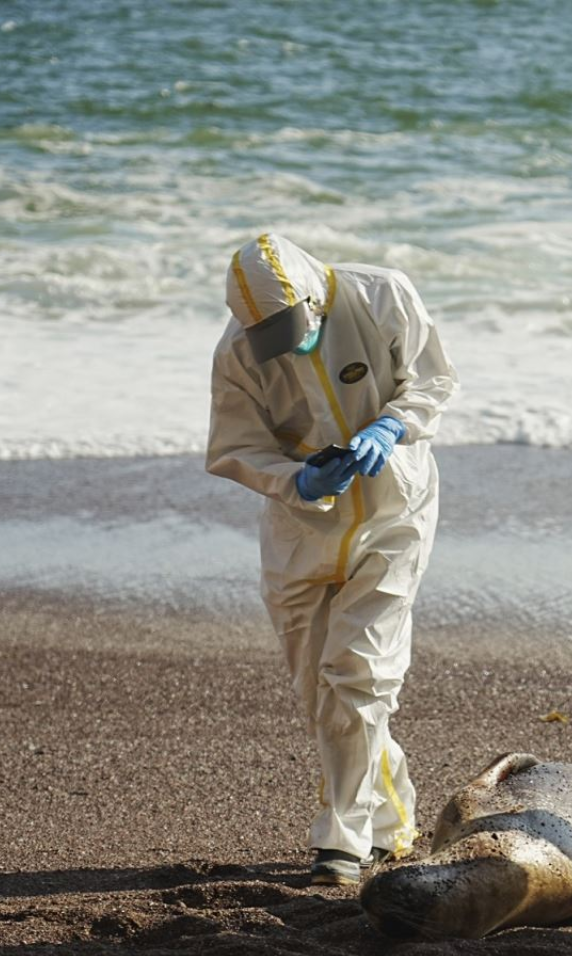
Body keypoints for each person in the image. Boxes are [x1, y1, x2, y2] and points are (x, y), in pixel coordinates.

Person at [207, 233, 458, 887]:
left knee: (359, 675)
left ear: (317, 294)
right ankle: (390, 819)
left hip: (392, 517)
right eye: (270, 335)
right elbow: (235, 445)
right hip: (301, 533)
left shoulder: (381, 296)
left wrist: (391, 426)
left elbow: (434, 379)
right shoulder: (241, 350)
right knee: (325, 695)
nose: (285, 345)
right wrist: (295, 479)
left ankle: (341, 846)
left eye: (295, 328)